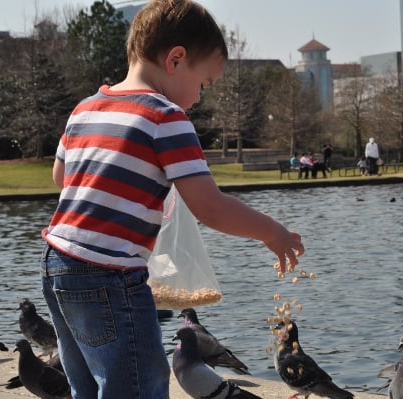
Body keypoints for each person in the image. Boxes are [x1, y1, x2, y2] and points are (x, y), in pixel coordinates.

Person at [39, 1, 305, 398]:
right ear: (176, 59)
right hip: (109, 273)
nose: (199, 98)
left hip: (56, 265)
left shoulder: (86, 107)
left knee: (89, 385)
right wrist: (271, 231)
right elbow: (211, 207)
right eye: (204, 84)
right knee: (137, 385)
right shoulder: (166, 117)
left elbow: (62, 176)